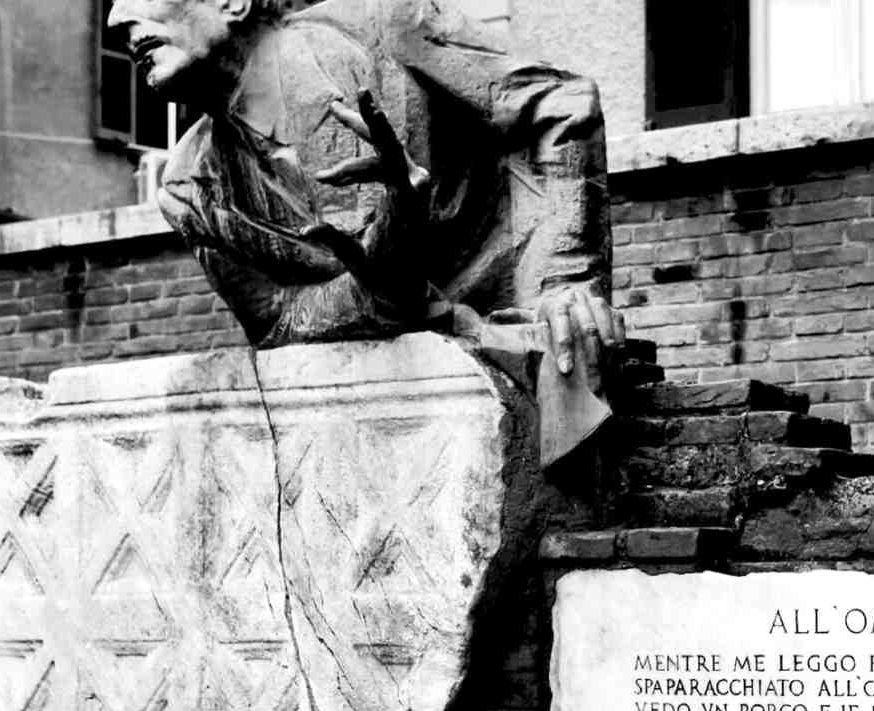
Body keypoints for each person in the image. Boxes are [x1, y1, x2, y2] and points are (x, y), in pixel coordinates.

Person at [107, 0, 622, 463]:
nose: (115, 19)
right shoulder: (187, 191)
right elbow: (278, 322)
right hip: (396, 393)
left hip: (505, 305)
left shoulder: (387, 24)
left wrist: (563, 285)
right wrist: (377, 283)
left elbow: (560, 104)